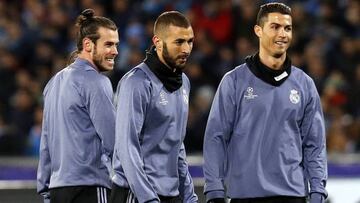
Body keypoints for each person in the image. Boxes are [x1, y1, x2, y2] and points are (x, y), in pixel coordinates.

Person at [203, 2, 327, 203]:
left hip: (292, 195)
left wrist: (318, 190)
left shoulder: (305, 84)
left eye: (287, 28)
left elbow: (314, 144)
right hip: (245, 196)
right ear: (258, 30)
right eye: (275, 27)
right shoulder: (233, 82)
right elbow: (216, 138)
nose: (283, 34)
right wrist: (215, 189)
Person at [110, 11, 198, 203]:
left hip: (170, 193)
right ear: (158, 42)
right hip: (135, 193)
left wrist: (189, 195)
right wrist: (147, 198)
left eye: (190, 41)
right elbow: (126, 147)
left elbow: (176, 144)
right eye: (179, 42)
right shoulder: (136, 83)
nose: (186, 49)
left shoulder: (183, 82)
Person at [37, 9, 118, 203]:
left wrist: (45, 189)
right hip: (90, 188)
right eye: (108, 44)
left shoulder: (54, 82)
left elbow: (46, 142)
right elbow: (114, 142)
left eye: (116, 45)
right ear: (88, 45)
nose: (115, 51)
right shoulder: (97, 82)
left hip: (58, 191)